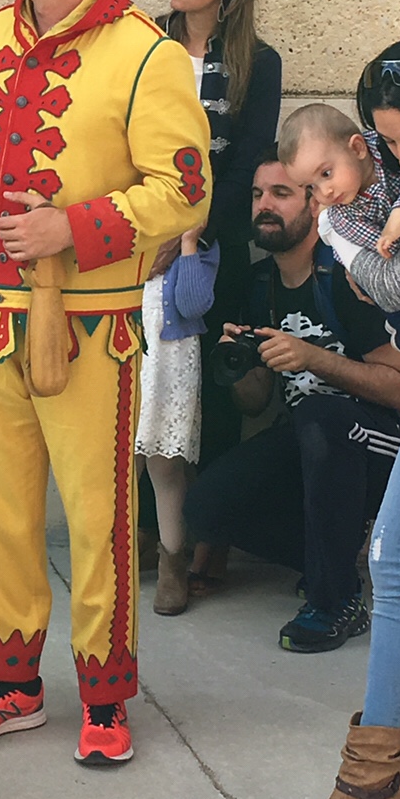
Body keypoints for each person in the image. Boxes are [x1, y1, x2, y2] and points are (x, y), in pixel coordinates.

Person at [0, 0, 211, 766]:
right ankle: (13, 685)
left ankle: (105, 694)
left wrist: (74, 225)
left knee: (97, 517)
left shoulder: (149, 56)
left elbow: (186, 192)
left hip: (91, 322)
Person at [283, 37, 400, 799]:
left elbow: (390, 285)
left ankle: (370, 782)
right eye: (389, 142)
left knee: (393, 565)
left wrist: (329, 227)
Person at [183, 148, 400, 651]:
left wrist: (313, 357)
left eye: (281, 194)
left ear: (316, 205)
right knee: (205, 508)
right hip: (312, 444)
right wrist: (238, 366)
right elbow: (255, 402)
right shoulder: (261, 282)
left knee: (320, 416)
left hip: (386, 446)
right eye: (257, 194)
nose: (264, 205)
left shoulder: (347, 276)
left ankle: (335, 602)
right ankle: (328, 564)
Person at [145, 0, 281, 592]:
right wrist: (153, 231)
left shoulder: (260, 61)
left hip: (219, 247)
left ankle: (211, 537)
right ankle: (151, 530)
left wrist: (192, 230)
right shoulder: (145, 47)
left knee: (214, 389)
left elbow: (250, 160)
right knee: (145, 388)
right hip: (144, 246)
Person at [135, 224, 219, 615]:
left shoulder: (201, 248)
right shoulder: (127, 237)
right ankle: (113, 555)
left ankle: (172, 564)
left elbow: (193, 303)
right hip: (126, 354)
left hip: (169, 364)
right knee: (117, 466)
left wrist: (187, 243)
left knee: (165, 467)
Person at [279, 101, 400, 260]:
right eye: (311, 187)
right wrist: (389, 237)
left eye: (326, 173)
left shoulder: (384, 146)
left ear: (357, 148)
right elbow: (389, 251)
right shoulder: (344, 219)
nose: (325, 193)